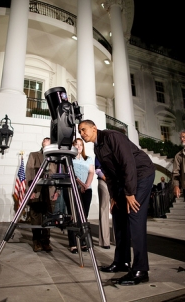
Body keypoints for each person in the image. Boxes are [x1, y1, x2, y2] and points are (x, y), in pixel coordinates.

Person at [78, 119, 155, 286]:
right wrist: (114, 197)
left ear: (94, 128)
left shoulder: (113, 136)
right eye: (80, 132)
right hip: (124, 180)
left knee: (134, 215)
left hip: (141, 174)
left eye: (84, 130)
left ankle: (141, 270)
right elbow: (110, 174)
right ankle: (122, 261)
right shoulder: (97, 147)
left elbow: (128, 163)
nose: (82, 134)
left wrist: (130, 193)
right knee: (119, 215)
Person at [25, 137, 57, 252]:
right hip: (36, 190)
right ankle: (36, 241)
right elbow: (29, 173)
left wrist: (57, 191)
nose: (47, 145)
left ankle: (46, 242)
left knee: (48, 217)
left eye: (50, 143)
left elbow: (58, 174)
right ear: (42, 144)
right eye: (45, 142)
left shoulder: (55, 158)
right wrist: (30, 191)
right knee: (36, 217)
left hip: (50, 192)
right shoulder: (34, 155)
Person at [63, 138, 94, 254]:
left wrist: (86, 185)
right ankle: (73, 244)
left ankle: (83, 242)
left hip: (87, 190)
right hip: (72, 190)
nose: (79, 147)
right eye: (76, 144)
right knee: (74, 216)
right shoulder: (69, 159)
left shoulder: (88, 159)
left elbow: (91, 172)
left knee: (83, 216)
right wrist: (81, 184)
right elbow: (70, 174)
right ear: (73, 146)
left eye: (81, 145)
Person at [172, 130, 185, 215]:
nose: (182, 139)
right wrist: (176, 186)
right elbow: (175, 172)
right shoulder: (178, 155)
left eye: (184, 137)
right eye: (181, 137)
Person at [95, 158, 111, 249]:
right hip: (104, 180)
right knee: (104, 209)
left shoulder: (115, 149)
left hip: (115, 181)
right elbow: (97, 169)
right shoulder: (99, 151)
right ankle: (105, 241)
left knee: (117, 210)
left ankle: (118, 239)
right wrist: (106, 179)